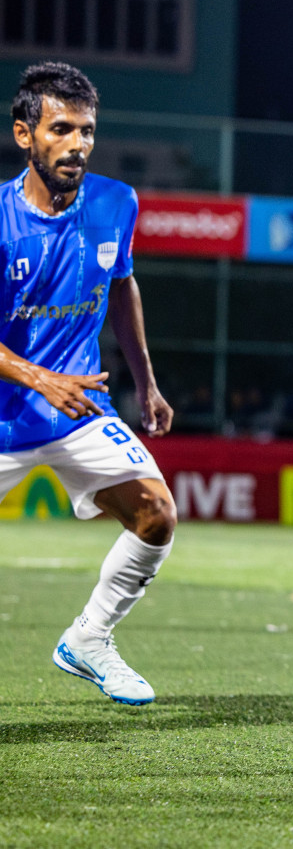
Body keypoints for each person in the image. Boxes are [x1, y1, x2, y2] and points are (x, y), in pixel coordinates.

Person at [4, 62, 177, 705]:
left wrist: (146, 383)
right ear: (26, 135)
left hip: (80, 408)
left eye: (87, 131)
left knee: (156, 514)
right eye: (60, 129)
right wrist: (39, 378)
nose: (77, 144)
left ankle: (90, 641)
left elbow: (123, 283)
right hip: (7, 412)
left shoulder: (117, 201)